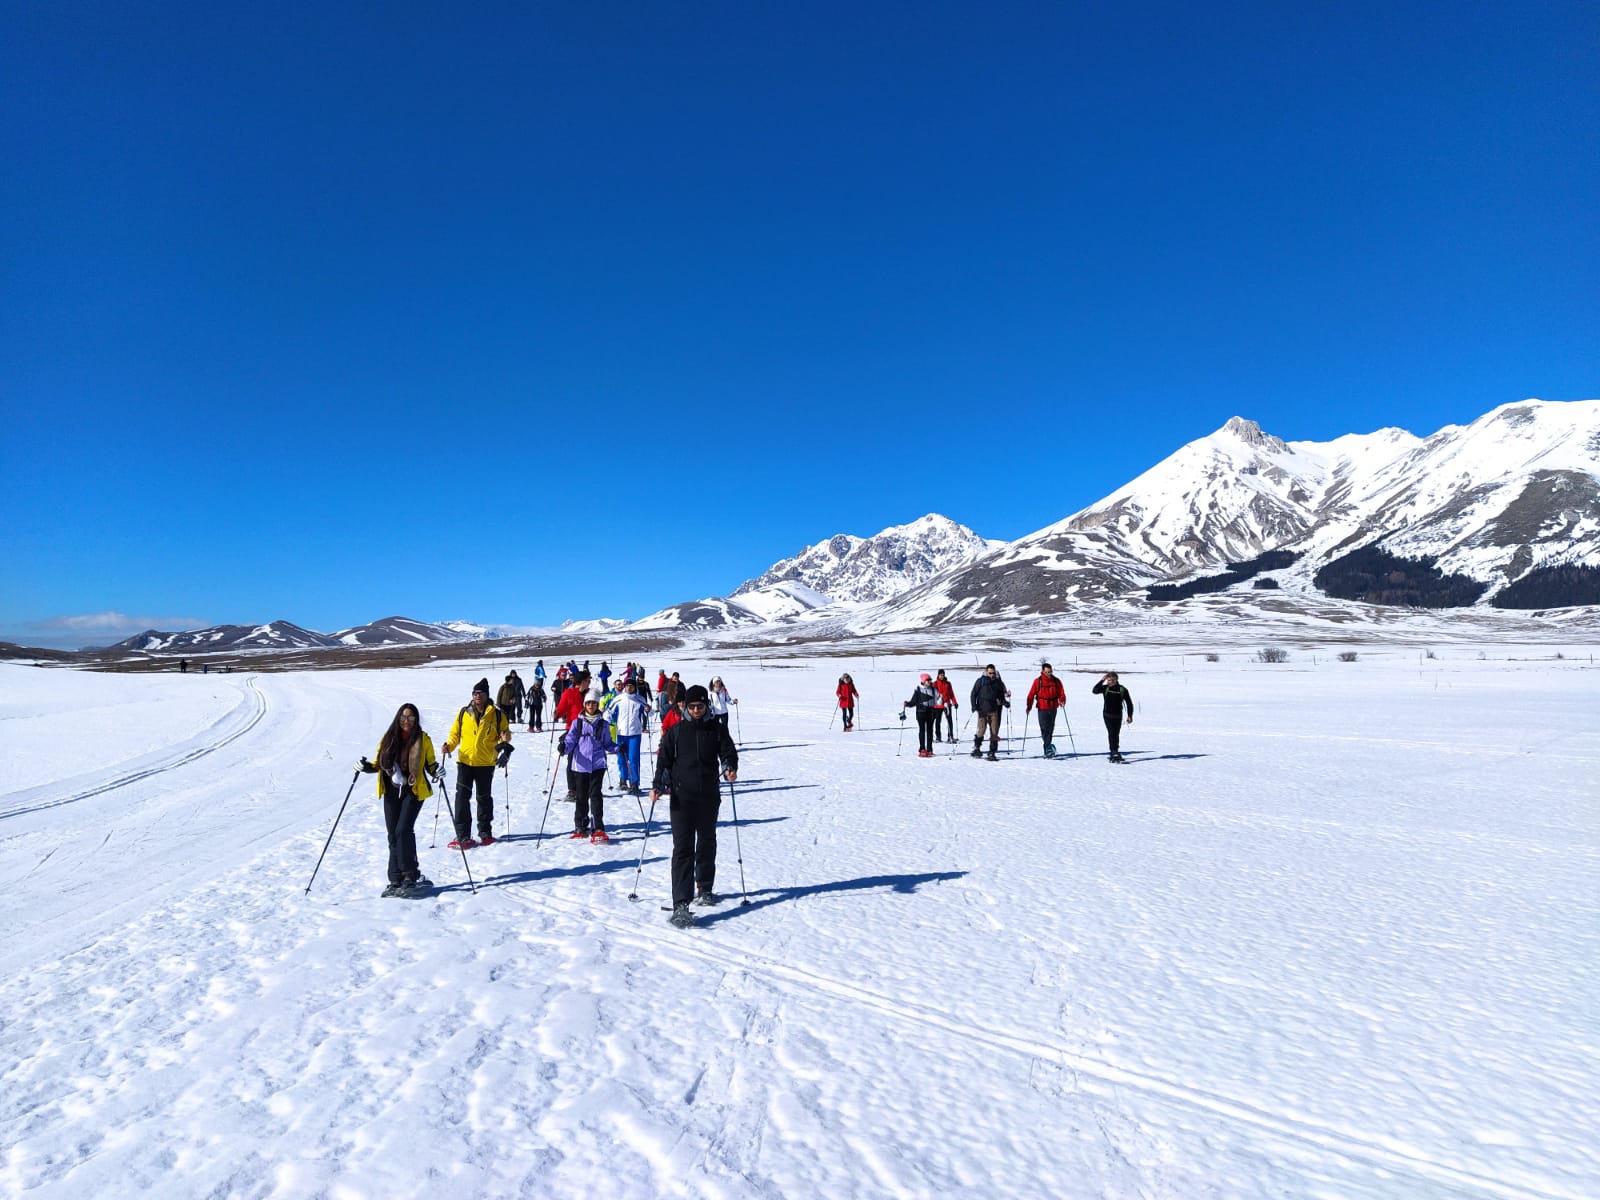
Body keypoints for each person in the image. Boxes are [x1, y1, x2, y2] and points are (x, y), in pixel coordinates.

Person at [652, 684, 739, 928]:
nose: (697, 710)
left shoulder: (718, 730)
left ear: (706, 706)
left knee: (707, 841)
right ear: (686, 707)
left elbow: (728, 753)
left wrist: (730, 767)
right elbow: (664, 761)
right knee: (683, 848)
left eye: (701, 706)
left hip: (709, 796)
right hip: (681, 799)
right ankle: (681, 903)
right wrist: (659, 783)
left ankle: (705, 886)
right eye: (692, 706)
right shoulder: (677, 732)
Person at [359, 702, 439, 896]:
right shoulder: (389, 738)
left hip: (414, 790)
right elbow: (378, 763)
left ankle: (411, 874)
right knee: (393, 834)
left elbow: (430, 764)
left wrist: (438, 771)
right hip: (391, 790)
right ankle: (395, 878)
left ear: (416, 720)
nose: (406, 721)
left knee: (403, 830)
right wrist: (364, 767)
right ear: (398, 718)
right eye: (403, 717)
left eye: (411, 718)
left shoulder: (422, 739)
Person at [442, 678, 510, 848]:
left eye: (480, 693)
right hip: (465, 761)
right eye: (474, 693)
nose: (477, 696)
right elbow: (455, 735)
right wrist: (448, 746)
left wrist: (506, 738)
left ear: (487, 695)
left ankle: (485, 832)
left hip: (486, 762)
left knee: (484, 798)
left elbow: (505, 732)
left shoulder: (497, 714)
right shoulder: (463, 713)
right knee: (462, 798)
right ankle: (463, 835)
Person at [563, 688, 617, 841]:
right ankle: (580, 825)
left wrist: (618, 748)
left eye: (594, 703)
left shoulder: (603, 724)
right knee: (581, 796)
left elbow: (608, 743)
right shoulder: (577, 723)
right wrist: (564, 748)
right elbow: (570, 740)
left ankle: (597, 826)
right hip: (580, 765)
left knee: (595, 795)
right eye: (589, 703)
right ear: (585, 705)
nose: (591, 706)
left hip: (598, 764)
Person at [606, 678, 650, 795]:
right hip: (621, 733)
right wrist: (606, 722)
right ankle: (623, 779)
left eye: (631, 686)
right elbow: (608, 712)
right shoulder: (618, 699)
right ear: (624, 687)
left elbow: (649, 712)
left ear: (635, 687)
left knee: (634, 758)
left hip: (635, 733)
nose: (629, 688)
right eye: (627, 686)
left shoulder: (640, 699)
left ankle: (634, 783)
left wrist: (648, 710)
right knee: (621, 757)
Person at [1025, 663, 1068, 756]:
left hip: (1053, 707)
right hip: (1042, 707)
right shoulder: (1038, 681)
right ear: (1043, 671)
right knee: (1044, 728)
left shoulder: (1056, 681)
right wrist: (1029, 707)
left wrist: (1062, 700)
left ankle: (1047, 748)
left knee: (1050, 728)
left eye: (1050, 672)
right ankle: (1048, 747)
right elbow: (1031, 694)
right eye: (1047, 672)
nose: (1049, 674)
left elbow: (1061, 692)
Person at [969, 663, 1010, 760]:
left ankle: (992, 752)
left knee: (994, 731)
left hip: (994, 710)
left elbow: (1000, 696)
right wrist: (974, 706)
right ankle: (977, 748)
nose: (992, 675)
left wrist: (1005, 703)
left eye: (993, 673)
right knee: (982, 730)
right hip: (982, 710)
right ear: (986, 672)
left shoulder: (997, 683)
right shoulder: (980, 681)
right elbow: (973, 694)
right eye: (990, 673)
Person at [1092, 672, 1134, 762]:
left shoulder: (1122, 689)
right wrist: (1102, 680)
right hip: (1107, 715)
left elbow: (1129, 703)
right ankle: (1113, 752)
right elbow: (1094, 690)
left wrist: (1130, 715)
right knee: (1112, 733)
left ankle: (1115, 751)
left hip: (1118, 716)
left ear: (1115, 680)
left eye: (1110, 680)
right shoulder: (1105, 688)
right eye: (1108, 680)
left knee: (1116, 734)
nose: (1109, 682)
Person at [901, 673, 940, 757]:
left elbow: (939, 699)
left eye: (930, 680)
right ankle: (922, 749)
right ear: (923, 681)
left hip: (931, 712)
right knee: (922, 730)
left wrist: (943, 702)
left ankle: (929, 749)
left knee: (930, 731)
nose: (930, 682)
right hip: (921, 712)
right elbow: (913, 702)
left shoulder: (934, 689)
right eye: (928, 680)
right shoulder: (918, 690)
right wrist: (907, 704)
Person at [933, 669, 958, 742]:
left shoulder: (948, 683)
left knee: (949, 720)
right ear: (938, 675)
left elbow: (951, 694)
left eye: (943, 675)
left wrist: (955, 702)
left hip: (947, 704)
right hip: (938, 705)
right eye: (940, 675)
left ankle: (950, 736)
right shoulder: (935, 684)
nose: (942, 676)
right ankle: (938, 737)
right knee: (938, 721)